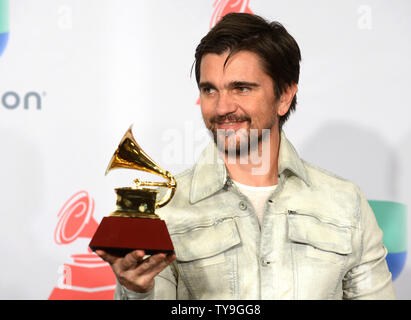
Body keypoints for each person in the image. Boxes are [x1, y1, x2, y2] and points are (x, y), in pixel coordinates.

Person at [96, 13, 395, 300]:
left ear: (284, 96)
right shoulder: (162, 208)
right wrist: (136, 291)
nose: (222, 107)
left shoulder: (346, 203)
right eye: (210, 90)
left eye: (241, 88)